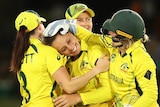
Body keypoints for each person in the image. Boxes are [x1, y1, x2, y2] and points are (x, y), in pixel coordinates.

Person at [9, 10, 110, 107]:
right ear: (40, 26)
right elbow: (68, 86)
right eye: (63, 48)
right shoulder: (47, 51)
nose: (70, 48)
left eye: (87, 19)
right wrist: (97, 69)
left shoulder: (21, 55)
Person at [42, 19, 114, 107]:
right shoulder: (64, 64)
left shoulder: (94, 52)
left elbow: (110, 91)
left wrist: (78, 98)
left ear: (73, 34)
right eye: (63, 49)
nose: (71, 48)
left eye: (68, 41)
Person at [100, 9, 159, 107]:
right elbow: (91, 37)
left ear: (124, 37)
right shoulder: (115, 46)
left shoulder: (142, 60)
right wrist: (72, 27)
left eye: (113, 31)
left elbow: (151, 95)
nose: (109, 33)